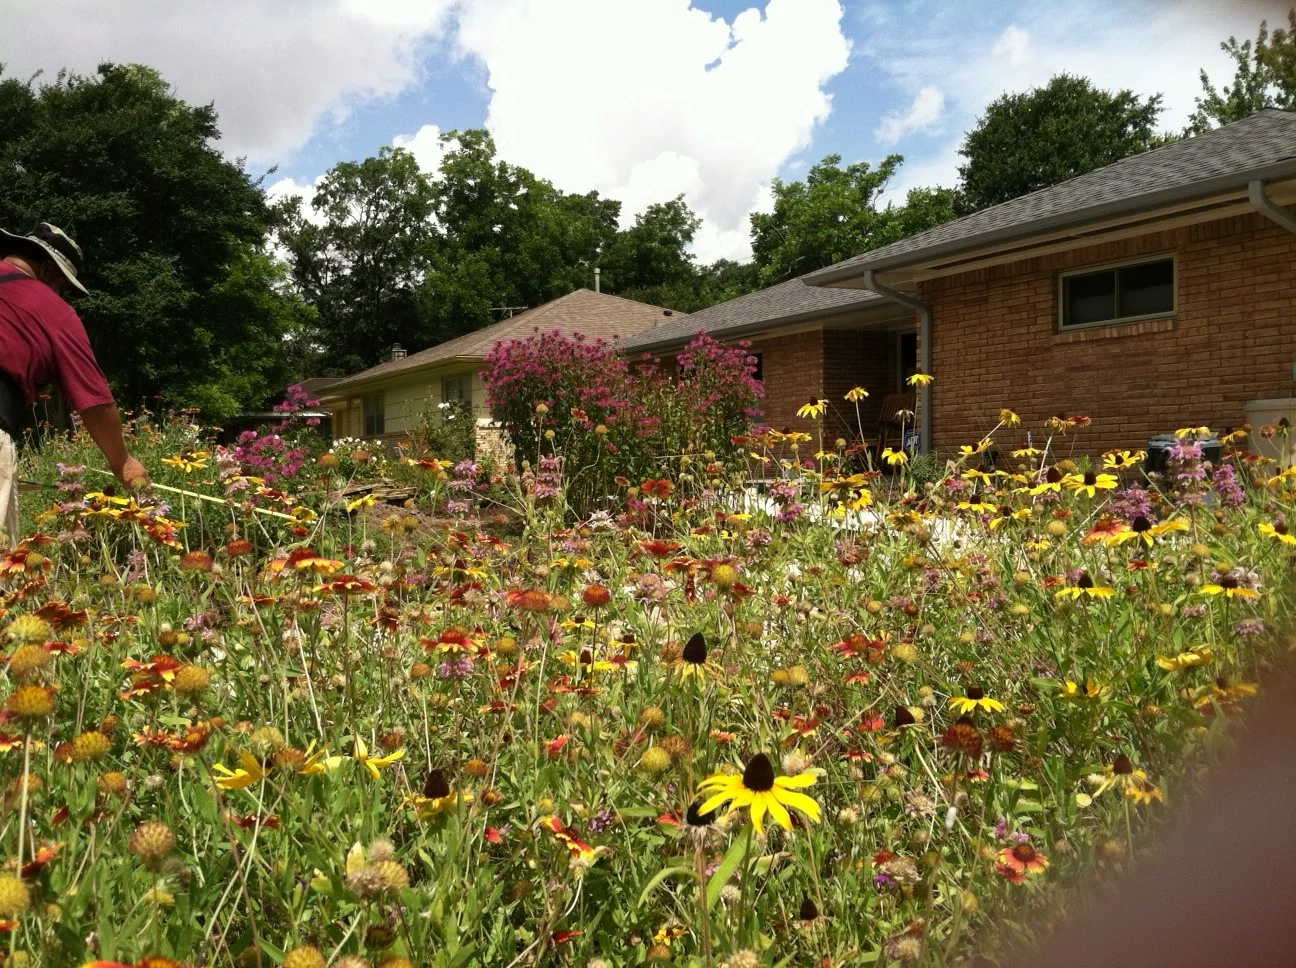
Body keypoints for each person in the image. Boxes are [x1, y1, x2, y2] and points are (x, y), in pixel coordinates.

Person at [0, 222, 147, 546]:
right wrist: (123, 463)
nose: (62, 296)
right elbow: (94, 400)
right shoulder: (49, 307)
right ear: (48, 268)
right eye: (63, 287)